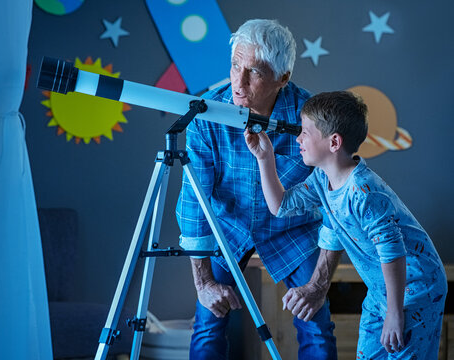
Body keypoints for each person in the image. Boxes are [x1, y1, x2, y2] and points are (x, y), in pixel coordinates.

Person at [176, 19, 337, 359]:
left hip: (292, 228)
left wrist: (319, 284)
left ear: (283, 78)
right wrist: (204, 284)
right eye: (235, 65)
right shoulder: (206, 115)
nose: (239, 80)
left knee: (317, 324)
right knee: (207, 323)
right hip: (228, 226)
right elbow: (194, 202)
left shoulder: (314, 120)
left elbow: (336, 203)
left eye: (255, 72)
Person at [245, 90, 447, 358]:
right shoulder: (321, 179)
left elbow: (392, 253)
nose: (298, 139)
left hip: (416, 288)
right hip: (380, 290)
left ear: (334, 142)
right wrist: (264, 158)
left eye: (306, 132)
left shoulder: (364, 193)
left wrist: (395, 314)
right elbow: (280, 206)